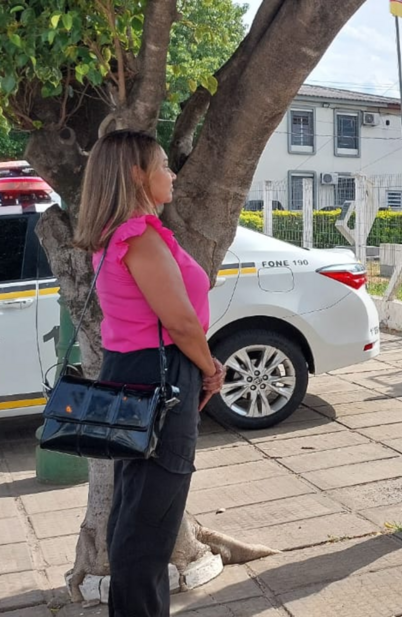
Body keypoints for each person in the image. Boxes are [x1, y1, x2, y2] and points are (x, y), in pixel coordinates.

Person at [72, 130, 226, 616]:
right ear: (136, 174)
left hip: (134, 371)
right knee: (150, 517)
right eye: (163, 165)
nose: (172, 174)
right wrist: (210, 368)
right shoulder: (137, 235)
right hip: (160, 373)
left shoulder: (117, 234)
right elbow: (179, 321)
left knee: (136, 510)